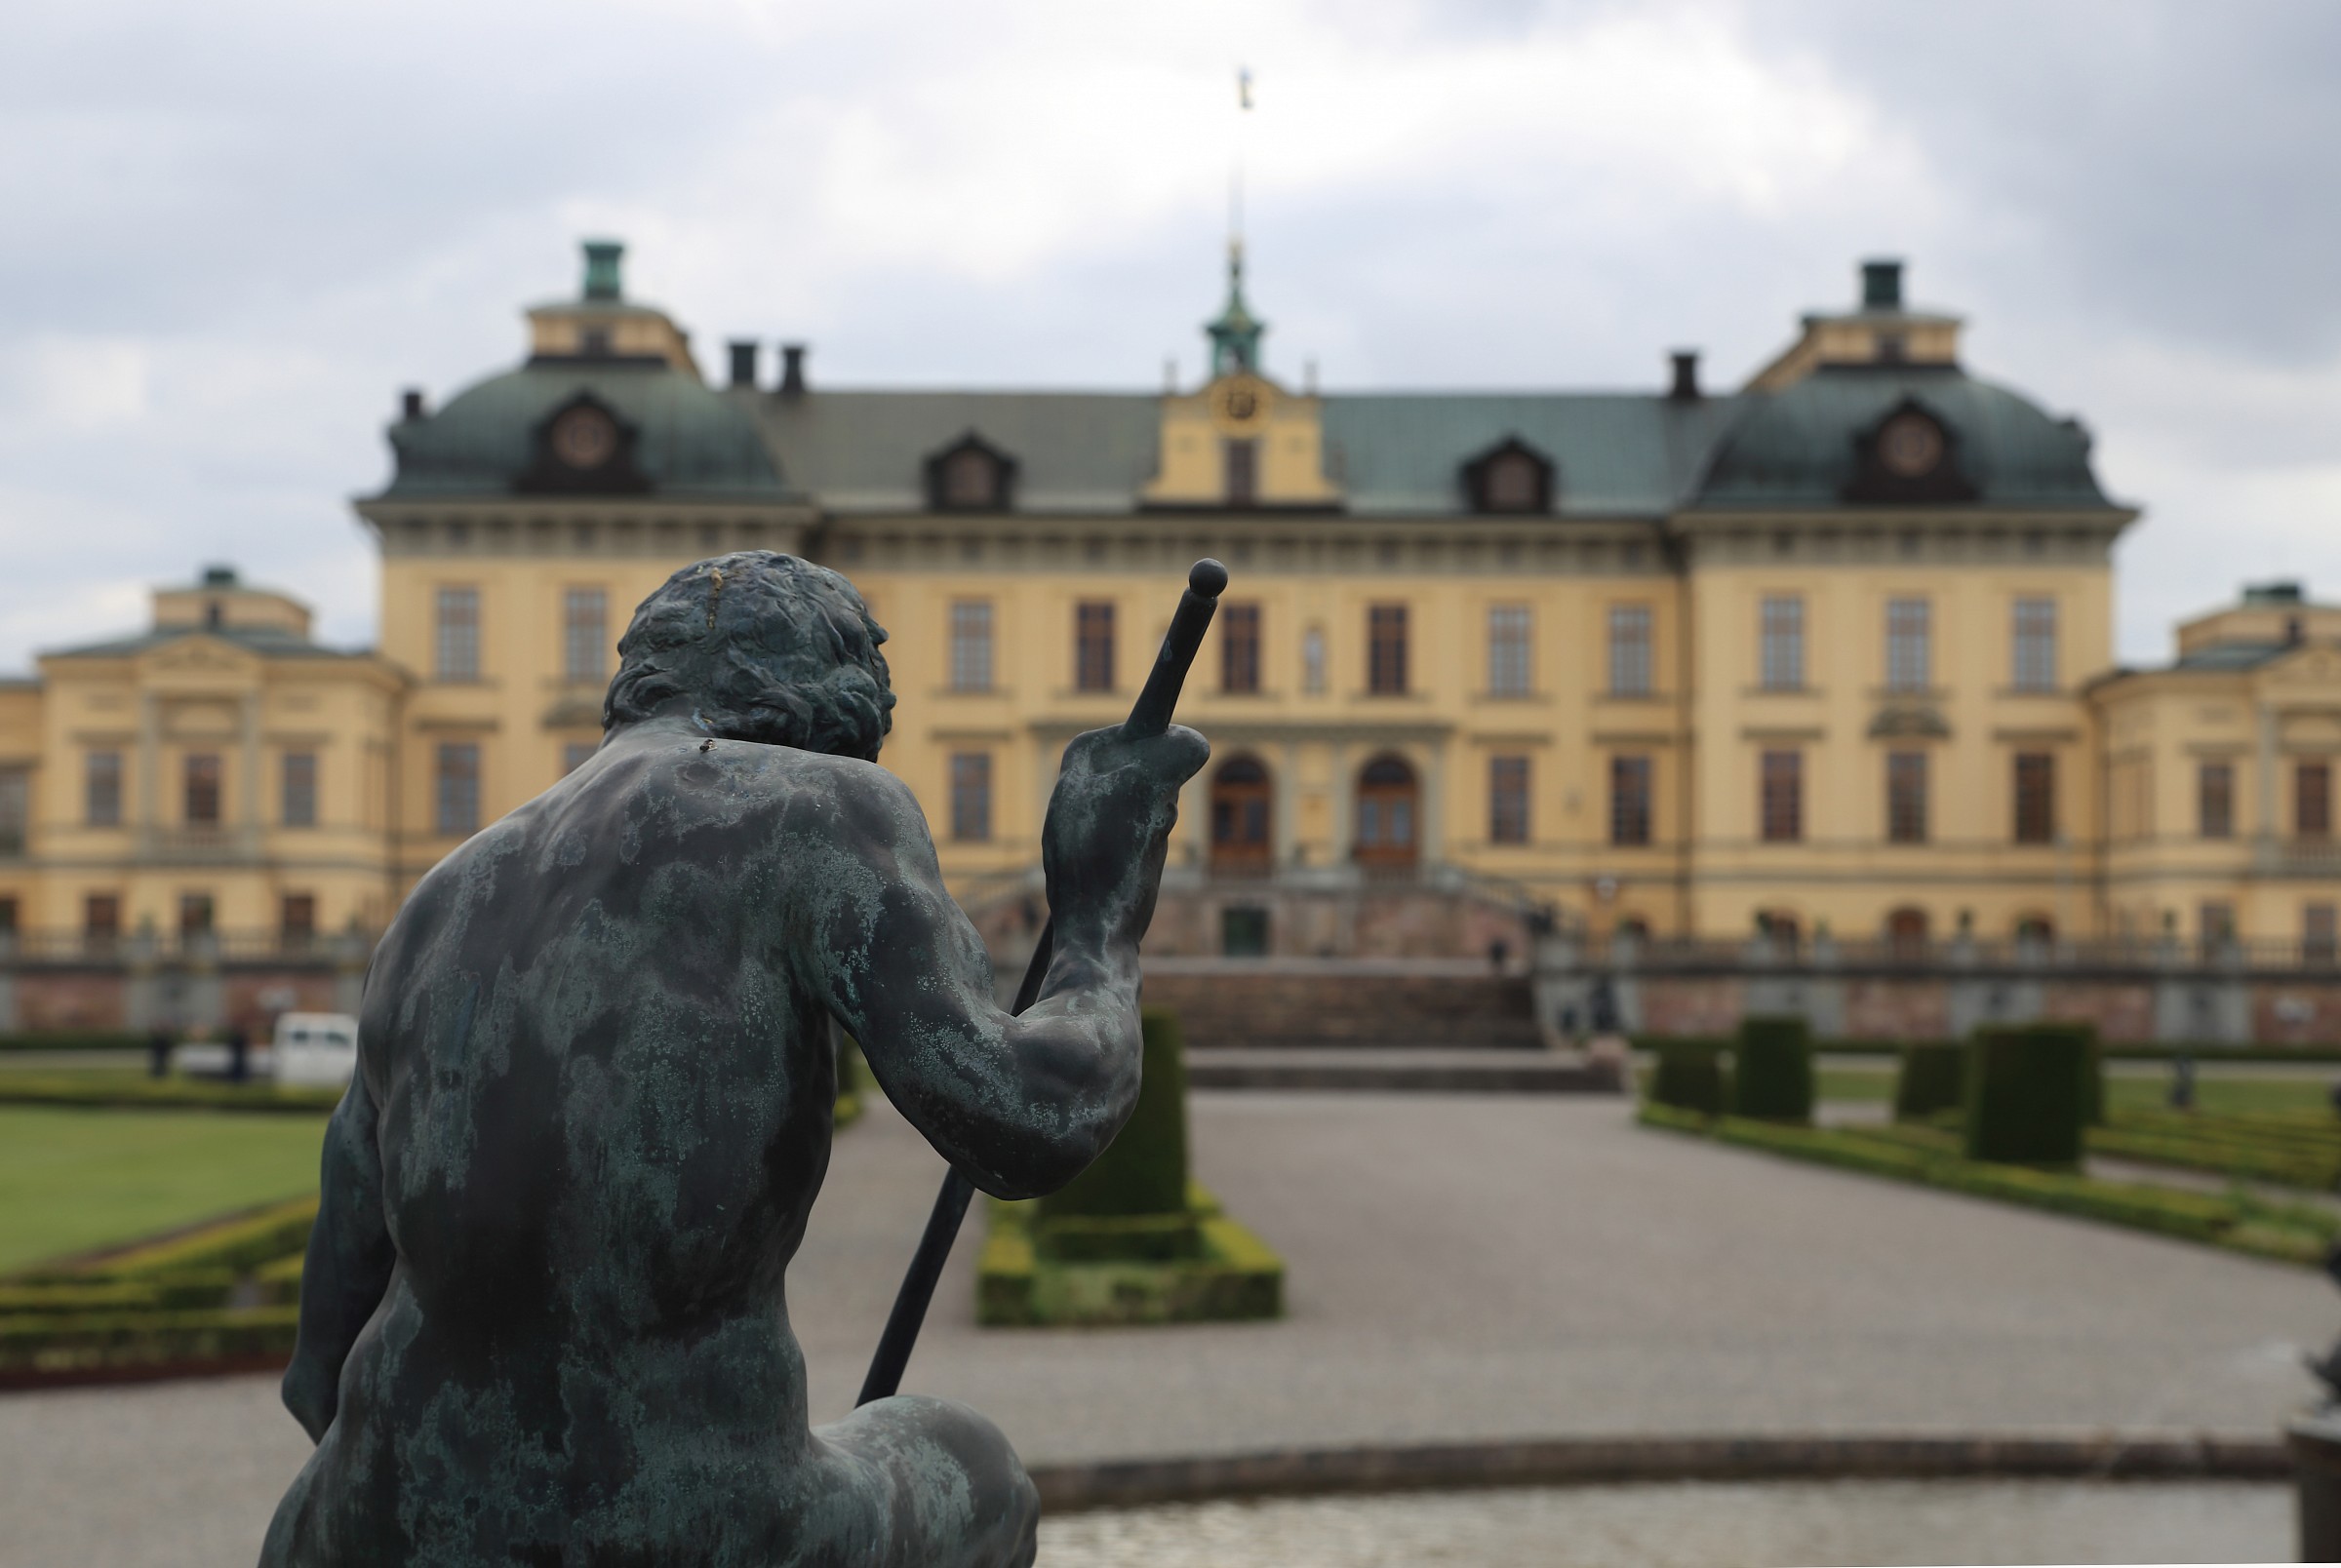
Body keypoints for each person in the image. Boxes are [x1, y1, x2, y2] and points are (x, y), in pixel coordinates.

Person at [261, 554, 1206, 1568]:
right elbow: (1033, 1119)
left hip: (360, 1519)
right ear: (844, 715)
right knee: (980, 1473)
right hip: (688, 1527)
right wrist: (1098, 916)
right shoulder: (825, 809)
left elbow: (319, 1367)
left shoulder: (442, 896)